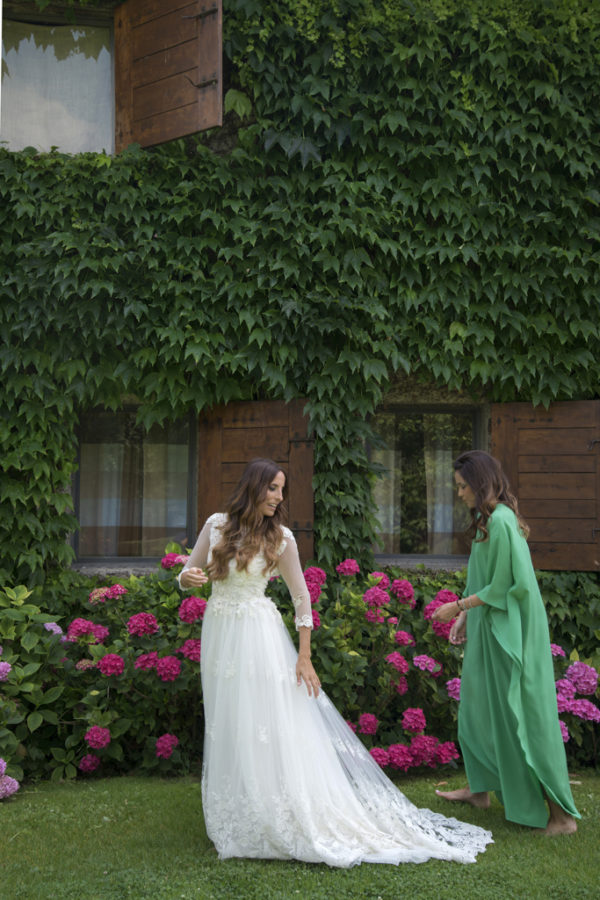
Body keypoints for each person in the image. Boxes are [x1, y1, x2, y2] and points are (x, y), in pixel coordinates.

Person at [178, 457, 492, 867]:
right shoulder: (215, 525)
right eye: (272, 488)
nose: (277, 497)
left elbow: (301, 597)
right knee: (229, 717)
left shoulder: (282, 538)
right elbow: (188, 571)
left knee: (264, 718)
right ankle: (241, 806)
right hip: (219, 631)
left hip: (259, 634)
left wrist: (304, 656)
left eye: (281, 490)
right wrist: (187, 579)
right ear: (253, 487)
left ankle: (276, 808)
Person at [432, 450, 580, 835]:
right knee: (478, 707)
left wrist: (457, 606)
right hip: (488, 624)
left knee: (522, 716)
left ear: (479, 485)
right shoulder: (486, 521)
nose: (459, 493)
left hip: (509, 631)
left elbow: (503, 586)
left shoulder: (501, 521)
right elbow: (483, 575)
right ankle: (479, 789)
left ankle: (561, 817)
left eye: (463, 487)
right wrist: (467, 616)